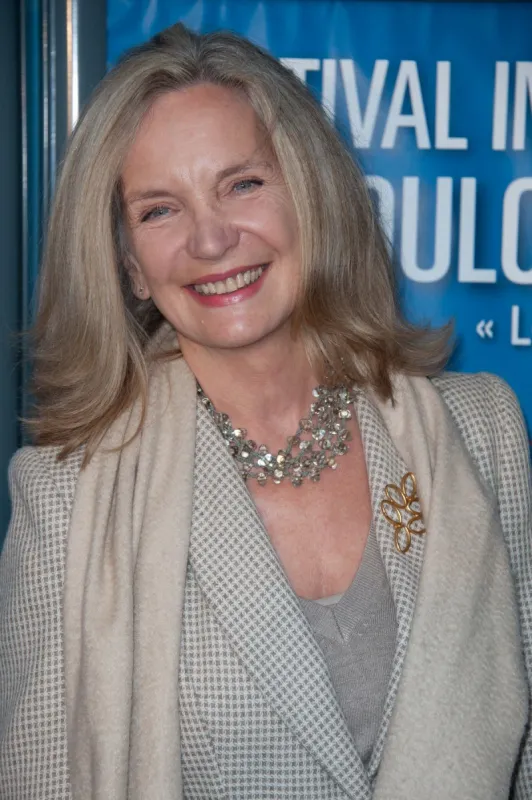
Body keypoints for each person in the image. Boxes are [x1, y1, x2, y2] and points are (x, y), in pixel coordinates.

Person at [0, 22, 530, 800]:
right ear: (131, 270)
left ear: (309, 194)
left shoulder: (482, 430)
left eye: (242, 184)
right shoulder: (65, 494)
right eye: (158, 211)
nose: (211, 239)